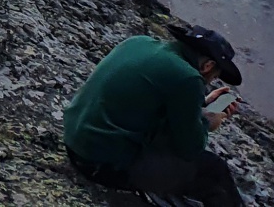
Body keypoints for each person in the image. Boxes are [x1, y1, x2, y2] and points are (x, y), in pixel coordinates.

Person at [64, 24, 245, 206]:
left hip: (75, 144)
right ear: (208, 65)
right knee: (213, 170)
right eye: (214, 76)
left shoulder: (138, 42)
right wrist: (207, 123)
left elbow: (147, 99)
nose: (211, 80)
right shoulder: (188, 78)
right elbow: (189, 148)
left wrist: (201, 102)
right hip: (103, 166)